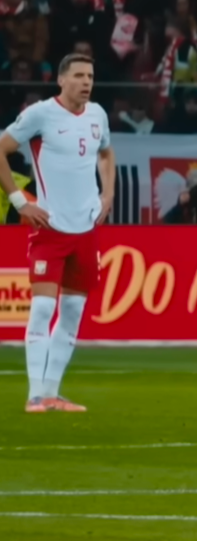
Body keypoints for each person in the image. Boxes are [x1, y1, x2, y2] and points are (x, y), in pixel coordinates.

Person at [0, 54, 114, 412]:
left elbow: (107, 154)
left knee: (72, 312)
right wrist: (20, 202)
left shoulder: (98, 115)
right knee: (43, 307)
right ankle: (35, 394)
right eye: (79, 75)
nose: (86, 82)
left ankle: (52, 393)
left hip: (86, 230)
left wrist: (107, 193)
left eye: (90, 76)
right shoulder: (41, 114)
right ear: (61, 80)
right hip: (50, 228)